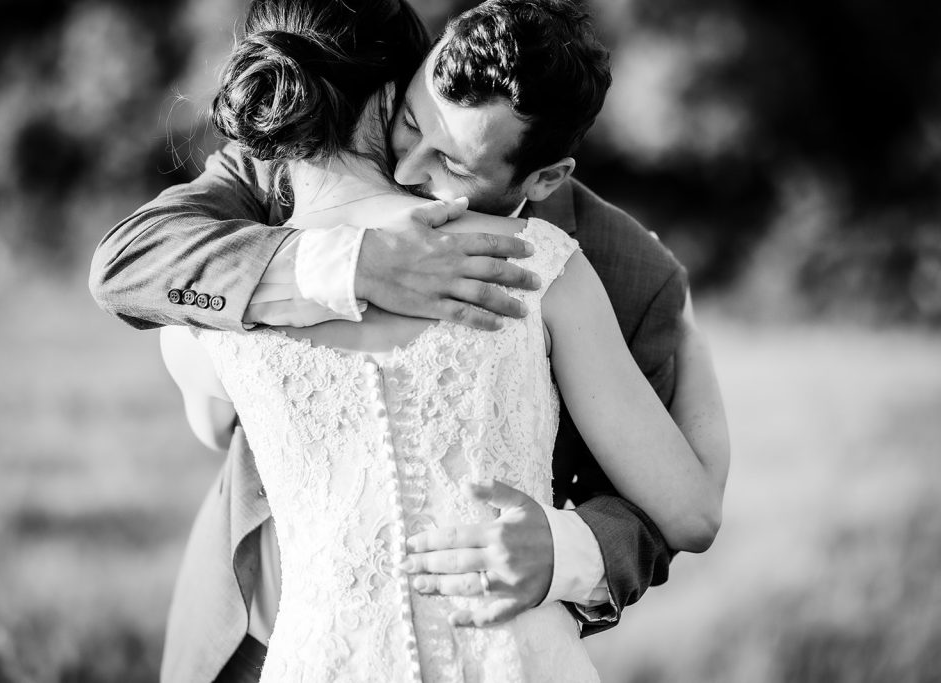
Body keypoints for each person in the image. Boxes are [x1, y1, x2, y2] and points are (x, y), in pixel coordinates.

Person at [89, 0, 730, 681]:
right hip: (251, 625)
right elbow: (125, 266)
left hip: (479, 637)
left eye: (452, 162)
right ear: (399, 86)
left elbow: (677, 512)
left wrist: (570, 547)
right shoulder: (267, 168)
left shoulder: (619, 269)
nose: (410, 172)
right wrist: (351, 266)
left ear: (545, 178)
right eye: (412, 125)